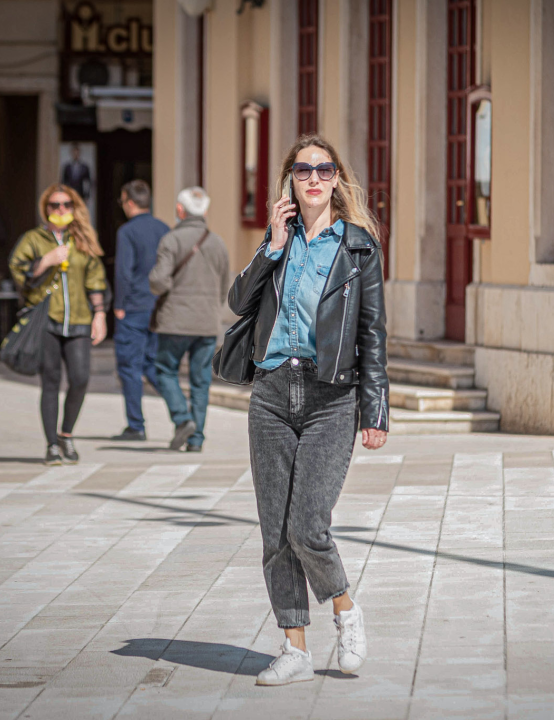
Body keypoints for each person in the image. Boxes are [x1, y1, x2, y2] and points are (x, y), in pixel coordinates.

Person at [228, 135, 390, 686]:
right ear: (291, 181)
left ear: (338, 179)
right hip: (272, 394)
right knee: (275, 532)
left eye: (324, 169)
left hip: (331, 399)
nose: (315, 178)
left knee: (307, 526)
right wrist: (270, 245)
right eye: (304, 170)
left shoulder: (360, 246)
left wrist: (376, 410)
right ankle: (293, 647)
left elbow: (371, 332)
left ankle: (345, 610)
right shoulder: (279, 242)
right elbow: (237, 303)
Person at [9, 184, 109, 466]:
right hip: (47, 322)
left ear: (74, 207)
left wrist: (100, 314)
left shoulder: (84, 239)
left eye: (66, 204)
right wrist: (45, 261)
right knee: (50, 382)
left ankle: (66, 433)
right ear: (46, 209)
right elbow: (18, 270)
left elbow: (96, 280)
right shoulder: (34, 239)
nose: (61, 210)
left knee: (80, 379)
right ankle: (52, 444)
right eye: (55, 205)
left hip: (78, 319)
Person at [148, 186, 231, 452]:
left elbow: (158, 281)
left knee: (165, 370)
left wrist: (162, 284)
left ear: (180, 210)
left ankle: (182, 419)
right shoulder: (218, 242)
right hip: (207, 322)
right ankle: (196, 440)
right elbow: (224, 286)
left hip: (175, 320)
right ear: (205, 211)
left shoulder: (171, 240)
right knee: (201, 380)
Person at [111, 179, 169, 442]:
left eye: (122, 201)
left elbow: (123, 271)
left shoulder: (127, 231)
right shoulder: (164, 229)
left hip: (134, 306)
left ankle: (136, 425)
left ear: (130, 202)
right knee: (154, 365)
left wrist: (119, 305)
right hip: (159, 306)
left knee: (129, 367)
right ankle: (182, 415)